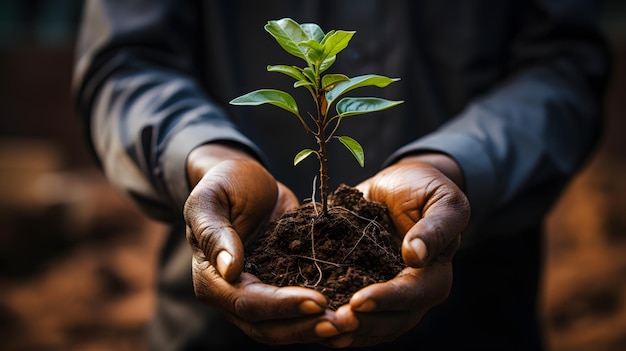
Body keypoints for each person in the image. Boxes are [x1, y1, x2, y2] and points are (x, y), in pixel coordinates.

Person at [72, 0, 610, 349]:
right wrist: (208, 158)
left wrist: (452, 166)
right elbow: (126, 62)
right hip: (217, 330)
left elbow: (564, 63)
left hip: (470, 318)